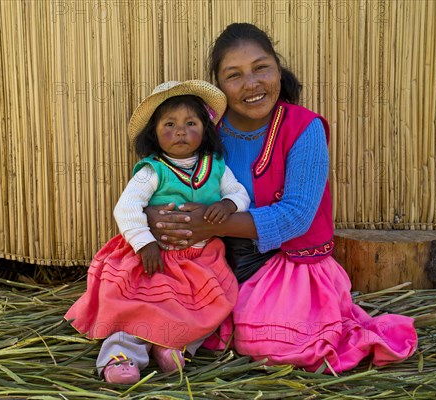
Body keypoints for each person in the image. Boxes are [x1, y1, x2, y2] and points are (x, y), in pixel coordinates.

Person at [145, 23, 418, 373]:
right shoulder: (204, 129)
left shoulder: (304, 129)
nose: (251, 84)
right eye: (234, 75)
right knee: (142, 293)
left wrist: (211, 223)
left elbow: (296, 216)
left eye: (261, 68)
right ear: (219, 85)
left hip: (286, 264)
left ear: (278, 68)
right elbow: (166, 178)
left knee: (271, 341)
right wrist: (155, 215)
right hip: (209, 257)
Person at [65, 80, 250, 384]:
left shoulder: (216, 167)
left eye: (191, 123)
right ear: (154, 133)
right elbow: (125, 209)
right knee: (134, 304)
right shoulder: (153, 171)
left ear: (205, 129)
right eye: (170, 124)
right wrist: (144, 243)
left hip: (199, 259)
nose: (180, 131)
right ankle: (121, 354)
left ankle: (173, 345)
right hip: (154, 257)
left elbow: (240, 193)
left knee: (203, 305)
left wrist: (229, 205)